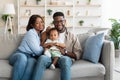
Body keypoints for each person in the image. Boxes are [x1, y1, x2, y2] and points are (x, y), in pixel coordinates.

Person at [32, 12, 82, 80]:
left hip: (64, 58)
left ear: (65, 21)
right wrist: (46, 42)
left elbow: (77, 55)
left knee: (65, 60)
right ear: (53, 23)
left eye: (61, 21)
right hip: (49, 58)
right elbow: (39, 47)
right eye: (56, 21)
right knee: (42, 58)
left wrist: (65, 52)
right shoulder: (49, 33)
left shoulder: (72, 36)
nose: (58, 23)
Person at [9, 15, 44, 80]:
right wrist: (43, 46)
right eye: (37, 23)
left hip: (30, 57)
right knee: (22, 58)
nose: (40, 24)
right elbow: (38, 51)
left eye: (41, 22)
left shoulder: (39, 35)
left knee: (32, 61)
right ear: (32, 25)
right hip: (19, 54)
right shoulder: (30, 33)